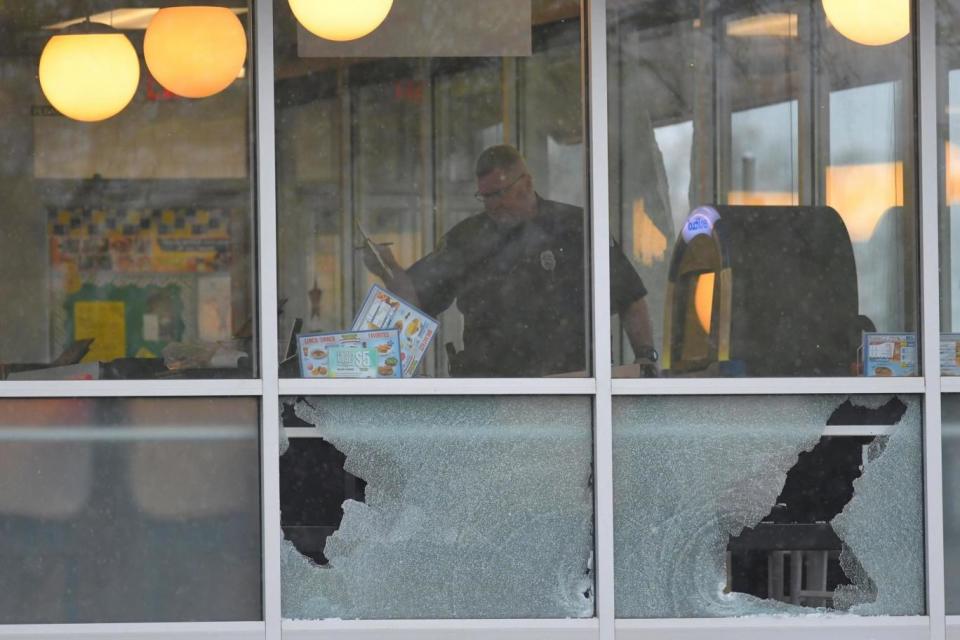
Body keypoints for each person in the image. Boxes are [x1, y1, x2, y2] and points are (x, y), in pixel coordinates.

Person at [363, 144, 657, 377]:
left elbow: (630, 297)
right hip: (493, 393)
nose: (493, 205)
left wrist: (645, 358)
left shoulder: (577, 228)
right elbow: (416, 299)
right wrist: (388, 269)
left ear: (526, 183)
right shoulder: (468, 239)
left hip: (574, 389)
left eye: (500, 193)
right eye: (485, 196)